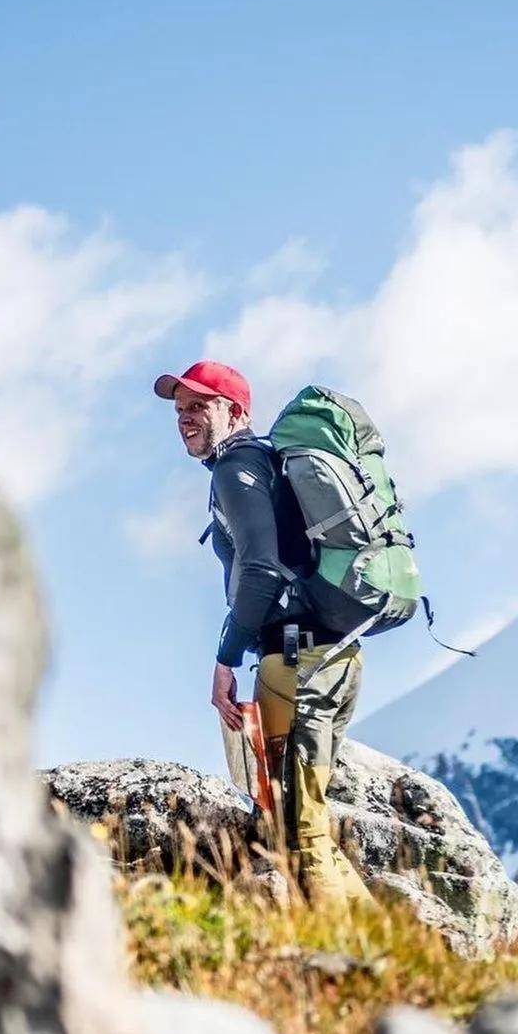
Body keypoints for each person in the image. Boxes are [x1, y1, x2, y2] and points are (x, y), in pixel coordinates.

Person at [153, 360, 371, 903]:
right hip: (332, 656)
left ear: (237, 412)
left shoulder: (238, 467)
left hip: (295, 661)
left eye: (199, 406)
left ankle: (356, 972)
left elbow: (261, 569)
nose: (185, 418)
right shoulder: (268, 464)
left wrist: (225, 659)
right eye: (179, 410)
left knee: (296, 834)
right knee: (299, 823)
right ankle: (384, 946)